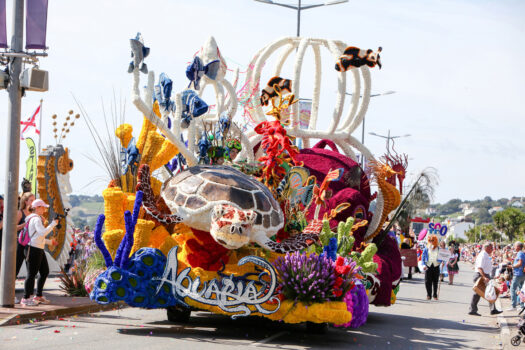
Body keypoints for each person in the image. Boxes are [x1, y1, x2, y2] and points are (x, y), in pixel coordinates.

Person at [20, 199, 58, 307]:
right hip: (33, 249)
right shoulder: (35, 219)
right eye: (43, 207)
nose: (45, 209)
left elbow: (38, 236)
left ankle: (38, 295)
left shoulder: (34, 218)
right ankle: (26, 298)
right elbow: (42, 233)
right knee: (31, 274)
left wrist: (50, 241)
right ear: (37, 208)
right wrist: (53, 224)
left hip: (37, 248)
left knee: (44, 271)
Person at [468, 243, 502, 316]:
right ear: (486, 248)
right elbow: (480, 268)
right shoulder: (483, 255)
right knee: (479, 292)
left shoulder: (485, 255)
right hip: (481, 275)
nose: (492, 249)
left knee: (490, 291)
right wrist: (484, 277)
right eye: (491, 248)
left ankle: (492, 309)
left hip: (484, 275)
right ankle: (473, 309)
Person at [15, 192, 35, 277]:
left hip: (31, 244)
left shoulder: (34, 214)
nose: (33, 202)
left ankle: (29, 289)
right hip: (20, 243)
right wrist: (25, 224)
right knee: (16, 267)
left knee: (31, 270)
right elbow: (13, 227)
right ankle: (9, 288)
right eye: (31, 200)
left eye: (34, 200)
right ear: (26, 201)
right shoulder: (20, 212)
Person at [422, 234, 442, 300]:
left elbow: (443, 257)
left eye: (432, 240)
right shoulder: (426, 248)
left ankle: (435, 295)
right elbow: (423, 257)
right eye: (430, 240)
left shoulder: (439, 249)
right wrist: (424, 265)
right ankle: (428, 295)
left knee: (435, 281)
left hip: (436, 265)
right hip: (428, 265)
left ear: (435, 240)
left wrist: (442, 262)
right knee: (427, 281)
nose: (431, 242)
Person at [508, 242, 525, 311]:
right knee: (521, 290)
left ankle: (513, 305)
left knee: (513, 289)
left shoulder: (520, 253)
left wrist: (512, 266)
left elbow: (520, 263)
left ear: (518, 247)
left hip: (518, 274)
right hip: (521, 274)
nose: (514, 247)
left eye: (515, 246)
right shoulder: (522, 253)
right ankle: (521, 305)